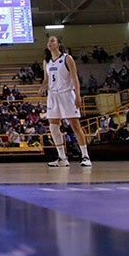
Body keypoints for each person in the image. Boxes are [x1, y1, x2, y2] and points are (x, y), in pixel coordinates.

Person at [41, 34, 92, 167]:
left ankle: (85, 156)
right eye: (48, 41)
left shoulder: (67, 58)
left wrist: (78, 95)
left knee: (75, 125)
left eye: (52, 41)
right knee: (53, 126)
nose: (49, 43)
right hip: (52, 95)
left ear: (58, 44)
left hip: (67, 94)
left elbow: (75, 78)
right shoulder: (46, 61)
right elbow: (46, 80)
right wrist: (42, 87)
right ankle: (62, 158)